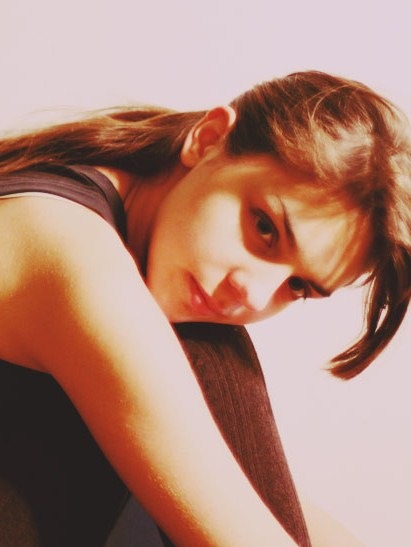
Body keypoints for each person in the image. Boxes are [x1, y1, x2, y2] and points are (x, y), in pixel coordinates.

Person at [0, 69, 410, 546]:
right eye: (264, 227)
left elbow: (244, 492)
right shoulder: (67, 246)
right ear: (208, 139)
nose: (253, 295)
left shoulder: (141, 251)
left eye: (298, 286)